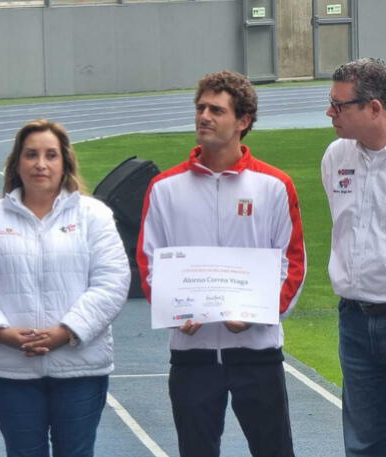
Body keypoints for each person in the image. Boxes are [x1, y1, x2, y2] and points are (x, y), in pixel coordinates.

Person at [136, 70, 306, 457]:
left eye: (216, 110)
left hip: (257, 352)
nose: (204, 117)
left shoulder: (274, 185)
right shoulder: (165, 188)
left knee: (274, 451)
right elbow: (149, 262)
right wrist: (174, 312)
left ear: (243, 121)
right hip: (191, 352)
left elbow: (292, 263)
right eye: (200, 108)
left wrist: (260, 314)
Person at [0, 119, 130, 457]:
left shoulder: (94, 215)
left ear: (64, 162)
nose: (40, 164)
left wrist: (67, 331)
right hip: (11, 369)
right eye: (31, 154)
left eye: (51, 155)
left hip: (79, 367)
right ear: (17, 163)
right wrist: (0, 332)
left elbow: (112, 281)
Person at [321, 57, 386, 457]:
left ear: (374, 107)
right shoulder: (335, 156)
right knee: (363, 442)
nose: (330, 113)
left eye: (340, 105)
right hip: (354, 320)